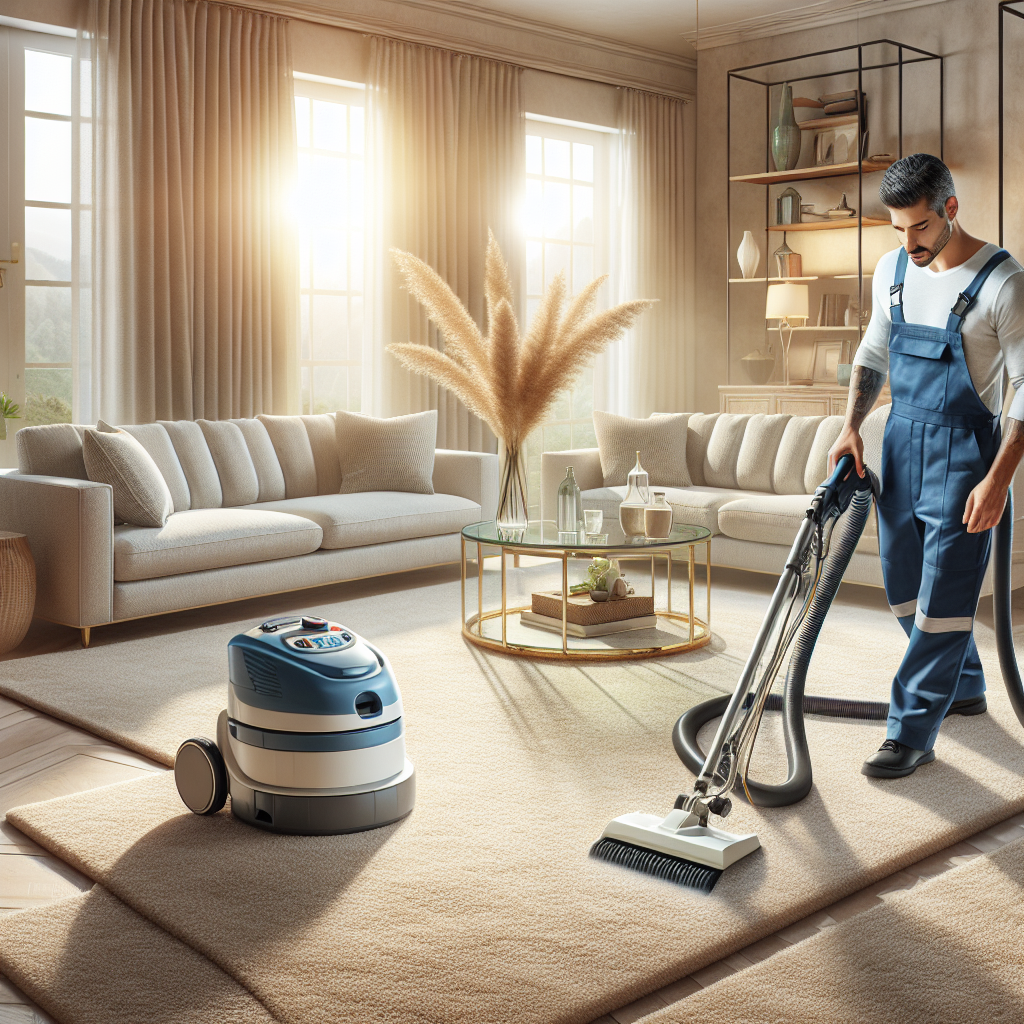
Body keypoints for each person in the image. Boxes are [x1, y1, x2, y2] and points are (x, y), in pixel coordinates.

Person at [829, 153, 1024, 778]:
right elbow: (873, 352)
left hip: (967, 454)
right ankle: (965, 683)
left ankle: (908, 731)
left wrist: (999, 479)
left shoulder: (1002, 283)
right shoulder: (893, 269)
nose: (908, 241)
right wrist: (851, 427)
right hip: (899, 443)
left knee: (944, 597)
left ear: (950, 209)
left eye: (919, 226)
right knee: (905, 589)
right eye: (898, 228)